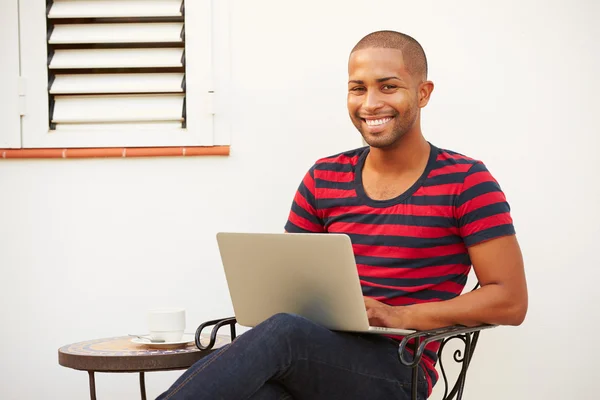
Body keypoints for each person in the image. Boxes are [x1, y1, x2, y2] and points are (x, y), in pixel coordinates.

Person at [157, 30, 528, 400]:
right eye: (357, 88)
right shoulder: (324, 177)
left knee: (284, 333)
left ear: (422, 93)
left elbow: (510, 300)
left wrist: (399, 316)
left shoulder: (466, 181)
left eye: (388, 87)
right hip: (316, 359)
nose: (370, 103)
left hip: (399, 370)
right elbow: (289, 284)